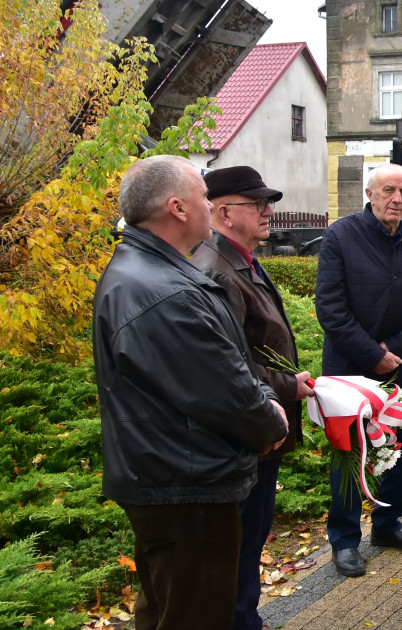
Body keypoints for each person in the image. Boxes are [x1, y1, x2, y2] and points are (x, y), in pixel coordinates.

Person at [93, 155, 289, 630]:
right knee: (195, 613)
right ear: (178, 208)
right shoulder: (162, 290)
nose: (210, 205)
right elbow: (220, 386)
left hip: (176, 477)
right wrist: (269, 420)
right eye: (204, 197)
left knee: (170, 608)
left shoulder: (152, 272)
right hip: (185, 484)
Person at [191, 166, 312, 630]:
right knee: (238, 543)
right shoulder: (216, 270)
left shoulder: (239, 259)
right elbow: (226, 364)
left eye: (268, 202)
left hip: (258, 424)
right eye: (257, 204)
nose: (269, 212)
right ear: (224, 212)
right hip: (244, 435)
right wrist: (285, 386)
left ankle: (246, 617)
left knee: (248, 539)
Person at [316, 163, 402, 577]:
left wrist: (394, 349)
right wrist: (372, 354)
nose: (398, 199)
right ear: (370, 194)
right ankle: (345, 539)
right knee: (350, 455)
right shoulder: (341, 236)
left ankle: (388, 525)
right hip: (350, 368)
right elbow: (330, 309)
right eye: (388, 190)